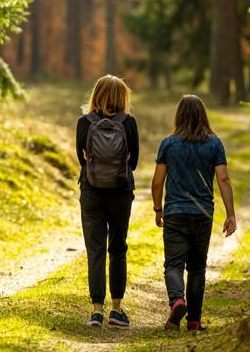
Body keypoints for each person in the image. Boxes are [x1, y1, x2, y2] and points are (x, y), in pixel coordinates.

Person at [151, 95, 237, 332]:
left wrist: (158, 209)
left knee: (174, 265)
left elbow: (158, 182)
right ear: (203, 115)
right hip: (202, 214)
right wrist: (230, 214)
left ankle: (177, 301)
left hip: (175, 213)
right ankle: (194, 321)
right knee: (198, 267)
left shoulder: (168, 144)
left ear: (179, 115)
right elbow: (223, 178)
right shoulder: (214, 144)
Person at [76, 75, 139, 327]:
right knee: (118, 247)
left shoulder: (84, 122)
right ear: (122, 97)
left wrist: (95, 173)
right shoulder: (129, 122)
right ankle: (116, 310)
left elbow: (81, 159)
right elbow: (133, 161)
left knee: (95, 250)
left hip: (91, 191)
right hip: (120, 191)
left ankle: (95, 311)